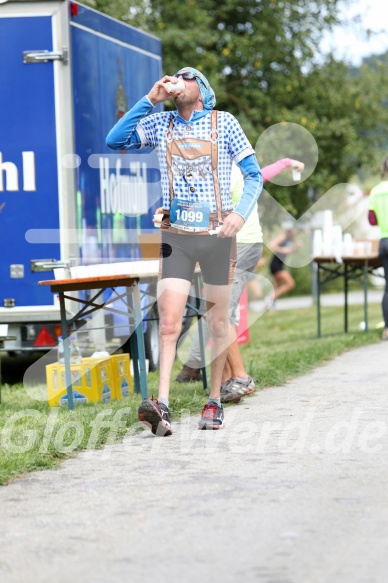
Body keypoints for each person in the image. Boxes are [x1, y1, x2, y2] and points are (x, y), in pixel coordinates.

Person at [106, 67, 262, 434]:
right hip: (175, 235)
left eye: (186, 76)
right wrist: (149, 100)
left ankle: (214, 401)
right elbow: (115, 140)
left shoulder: (224, 123)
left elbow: (254, 175)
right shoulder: (161, 124)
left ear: (202, 88)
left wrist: (240, 215)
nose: (177, 79)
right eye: (175, 75)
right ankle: (161, 405)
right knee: (170, 323)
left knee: (217, 321)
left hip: (217, 236)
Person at [176, 158, 305, 402]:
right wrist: (286, 162)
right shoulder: (234, 168)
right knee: (217, 312)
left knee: (220, 314)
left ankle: (240, 378)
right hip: (241, 244)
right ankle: (225, 381)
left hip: (239, 245)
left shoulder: (224, 173)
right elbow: (263, 174)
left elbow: (205, 215)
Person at [368, 155, 388, 340]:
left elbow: (372, 220)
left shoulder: (376, 191)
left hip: (384, 242)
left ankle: (387, 328)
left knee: (387, 288)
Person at [266, 221, 302, 307]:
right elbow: (271, 245)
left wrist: (297, 247)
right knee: (290, 283)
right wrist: (283, 249)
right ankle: (270, 298)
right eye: (294, 230)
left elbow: (290, 251)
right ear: (290, 230)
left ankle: (270, 304)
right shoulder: (283, 236)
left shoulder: (289, 239)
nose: (295, 232)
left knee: (278, 286)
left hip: (279, 264)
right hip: (276, 264)